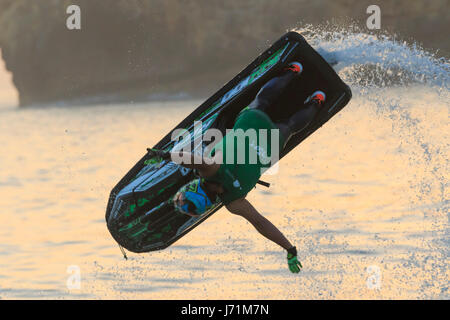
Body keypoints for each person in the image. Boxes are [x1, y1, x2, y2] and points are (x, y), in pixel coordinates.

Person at [152, 62, 326, 273]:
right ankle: (294, 71)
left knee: (289, 127)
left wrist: (289, 248)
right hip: (251, 125)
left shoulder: (234, 203)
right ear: (193, 189)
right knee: (261, 101)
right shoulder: (209, 170)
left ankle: (317, 102)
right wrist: (166, 155)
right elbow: (191, 159)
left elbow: (261, 223)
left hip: (270, 147)